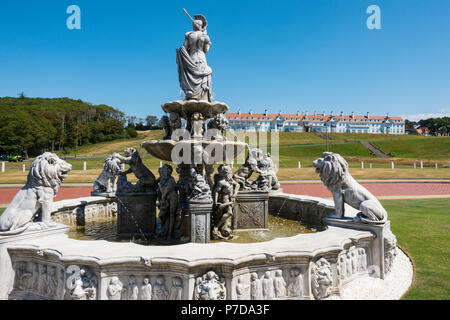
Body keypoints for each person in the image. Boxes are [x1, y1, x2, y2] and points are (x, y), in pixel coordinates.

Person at [176, 15, 212, 101]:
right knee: (206, 73)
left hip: (191, 59)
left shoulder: (189, 35)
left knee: (192, 77)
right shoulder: (205, 36)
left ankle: (191, 92)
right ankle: (202, 96)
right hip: (201, 59)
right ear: (201, 26)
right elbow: (206, 50)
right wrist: (209, 43)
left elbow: (184, 48)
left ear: (194, 25)